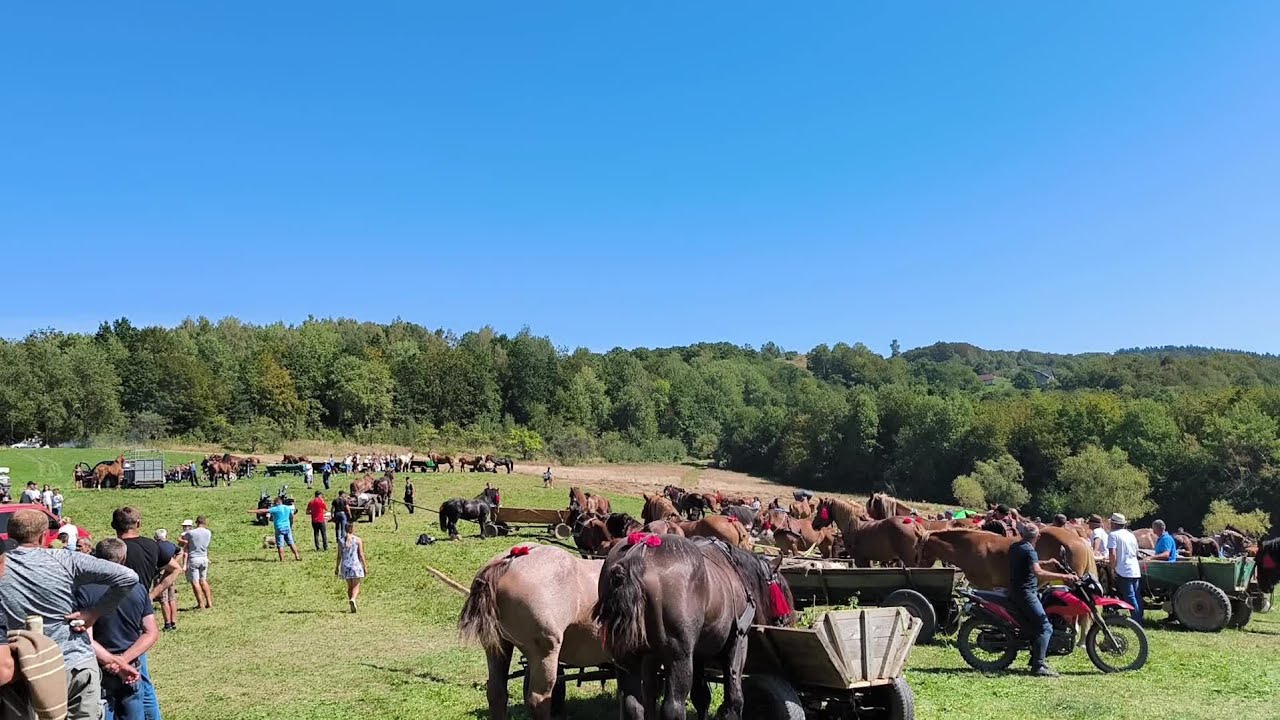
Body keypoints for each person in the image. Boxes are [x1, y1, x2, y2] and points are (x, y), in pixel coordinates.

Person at [0, 509, 140, 720]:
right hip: (73, 662)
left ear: (9, 535)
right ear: (43, 536)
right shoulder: (64, 559)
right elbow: (128, 576)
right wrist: (94, 613)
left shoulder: (3, 565)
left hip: (27, 668)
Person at [80, 538, 159, 720]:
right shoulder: (137, 588)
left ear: (96, 557)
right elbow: (151, 632)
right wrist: (123, 661)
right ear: (123, 559)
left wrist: (111, 662)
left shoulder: (83, 590)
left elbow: (86, 635)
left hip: (98, 666)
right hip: (130, 666)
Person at [112, 507, 177, 720]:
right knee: (141, 669)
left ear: (114, 526)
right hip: (141, 609)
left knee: (135, 672)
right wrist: (151, 594)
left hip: (114, 612)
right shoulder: (151, 545)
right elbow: (175, 569)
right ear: (138, 524)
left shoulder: (113, 550)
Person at [1009, 523, 1076, 677]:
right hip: (1026, 593)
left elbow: (1027, 564)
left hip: (1018, 590)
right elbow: (1037, 572)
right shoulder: (1030, 550)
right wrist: (1064, 576)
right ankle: (1038, 666)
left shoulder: (1016, 546)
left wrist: (1047, 562)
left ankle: (1036, 653)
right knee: (1045, 627)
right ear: (1038, 537)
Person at [1107, 512, 1143, 624]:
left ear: (1113, 523)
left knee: (1130, 596)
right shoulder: (1131, 535)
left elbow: (1112, 554)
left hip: (1123, 569)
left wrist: (1112, 568)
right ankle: (1139, 617)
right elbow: (1136, 552)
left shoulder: (1113, 535)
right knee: (1136, 595)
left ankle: (1136, 621)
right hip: (1134, 569)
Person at [180, 518, 212, 610]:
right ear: (205, 522)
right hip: (204, 558)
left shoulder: (191, 533)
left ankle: (200, 604)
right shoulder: (208, 532)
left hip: (194, 558)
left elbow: (183, 542)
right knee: (203, 580)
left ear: (196, 523)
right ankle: (209, 602)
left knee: (195, 582)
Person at [336, 522, 367, 613]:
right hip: (355, 565)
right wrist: (365, 566)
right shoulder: (357, 540)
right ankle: (353, 599)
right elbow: (361, 554)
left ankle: (351, 604)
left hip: (345, 566)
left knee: (350, 587)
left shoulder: (341, 541)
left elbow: (339, 556)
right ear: (353, 529)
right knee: (356, 586)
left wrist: (337, 567)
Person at [153, 530, 180, 631]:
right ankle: (174, 623)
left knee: (164, 599)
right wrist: (174, 564)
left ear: (156, 538)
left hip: (161, 573)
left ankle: (167, 624)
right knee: (171, 598)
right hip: (171, 573)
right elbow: (180, 552)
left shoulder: (156, 546)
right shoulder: (171, 545)